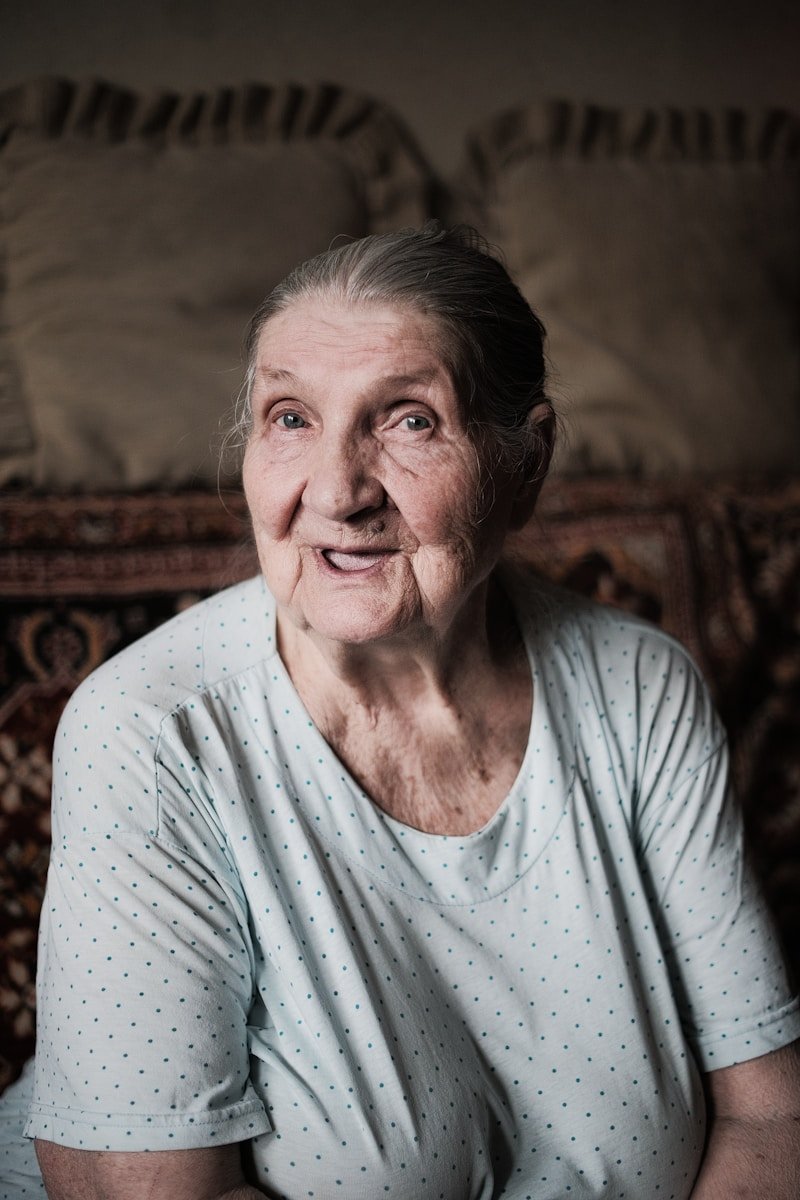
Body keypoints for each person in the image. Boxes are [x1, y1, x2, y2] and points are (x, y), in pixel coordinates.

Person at [15, 224, 800, 1199]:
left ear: (524, 462)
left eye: (408, 421)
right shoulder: (153, 731)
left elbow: (770, 1111)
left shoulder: (640, 689)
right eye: (290, 418)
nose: (336, 491)